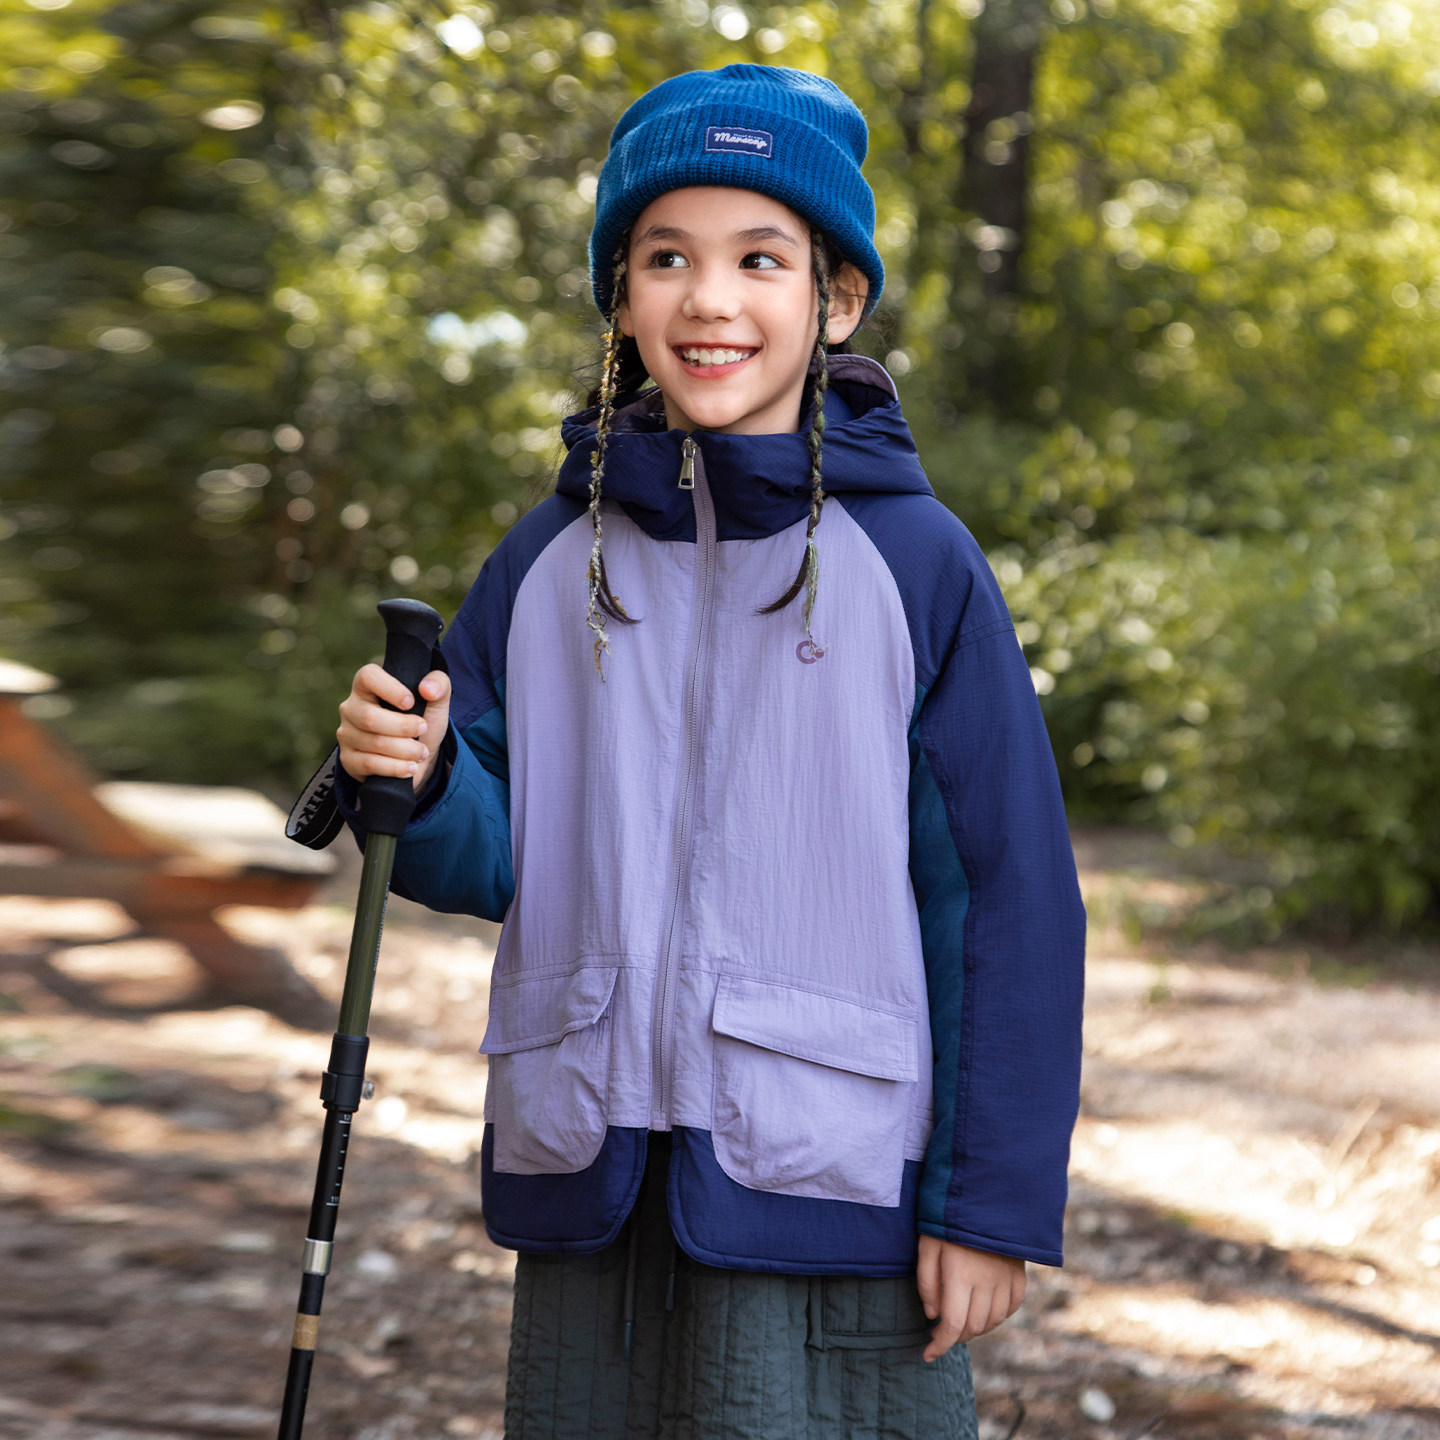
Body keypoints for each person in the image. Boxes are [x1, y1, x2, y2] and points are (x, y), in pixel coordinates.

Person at [326, 64, 1085, 1440]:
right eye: (665, 257)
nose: (709, 299)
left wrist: (988, 1205)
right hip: (593, 1181)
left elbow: (1006, 900)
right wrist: (422, 778)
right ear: (620, 298)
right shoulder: (548, 560)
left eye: (760, 259)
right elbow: (492, 851)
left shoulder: (916, 563)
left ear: (836, 300)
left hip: (833, 1184)